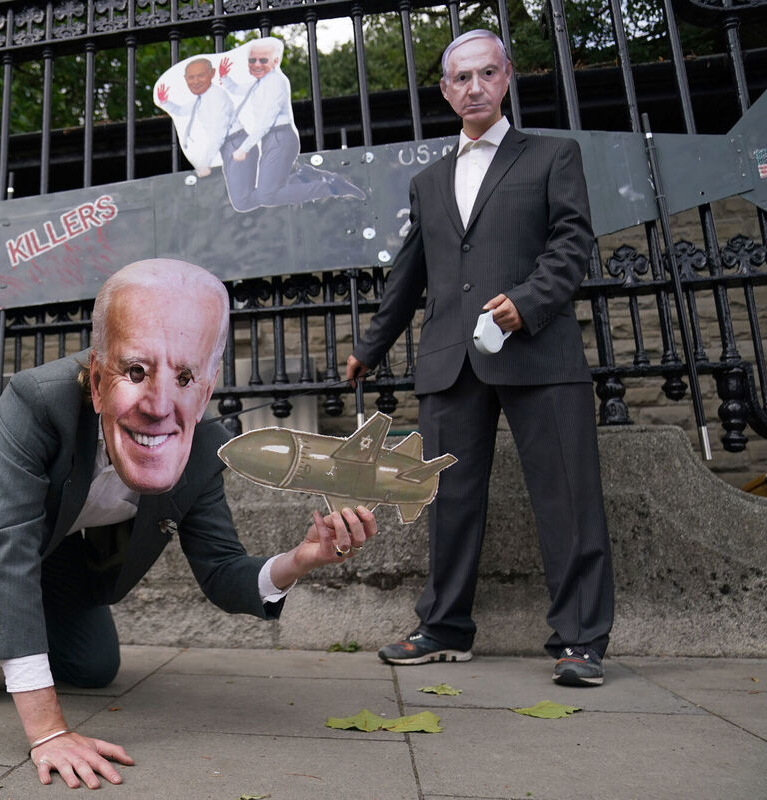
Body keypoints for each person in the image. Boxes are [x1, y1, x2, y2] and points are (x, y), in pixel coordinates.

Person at [0, 259, 378, 789]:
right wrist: (48, 731)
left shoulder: (202, 450)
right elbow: (3, 550)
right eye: (137, 372)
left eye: (185, 376)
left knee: (96, 668)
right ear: (98, 380)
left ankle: (7, 635)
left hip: (57, 543)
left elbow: (221, 569)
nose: (158, 406)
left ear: (207, 387)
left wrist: (302, 558)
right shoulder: (37, 401)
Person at [346, 29, 614, 687]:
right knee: (447, 501)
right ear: (445, 90)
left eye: (485, 74)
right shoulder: (428, 180)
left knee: (568, 498)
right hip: (448, 361)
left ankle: (579, 641)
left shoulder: (554, 156)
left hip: (539, 352)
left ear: (506, 78)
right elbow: (410, 273)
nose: (473, 87)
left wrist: (529, 301)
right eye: (460, 77)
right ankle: (444, 629)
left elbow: (572, 243)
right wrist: (370, 349)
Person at [219, 38, 364, 210]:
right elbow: (238, 90)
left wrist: (244, 148)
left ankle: (330, 187)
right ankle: (304, 176)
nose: (256, 64)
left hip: (280, 138)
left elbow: (267, 120)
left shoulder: (276, 82)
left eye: (262, 60)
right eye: (252, 60)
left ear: (275, 61)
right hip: (272, 140)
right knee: (254, 198)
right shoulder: (259, 82)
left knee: (266, 195)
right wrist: (225, 77)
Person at [154, 57, 234, 178]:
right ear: (185, 79)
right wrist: (165, 102)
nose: (196, 81)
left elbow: (218, 131)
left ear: (212, 74)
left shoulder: (215, 96)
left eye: (201, 75)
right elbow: (181, 111)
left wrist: (205, 164)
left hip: (233, 144)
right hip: (225, 146)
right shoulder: (201, 98)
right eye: (191, 77)